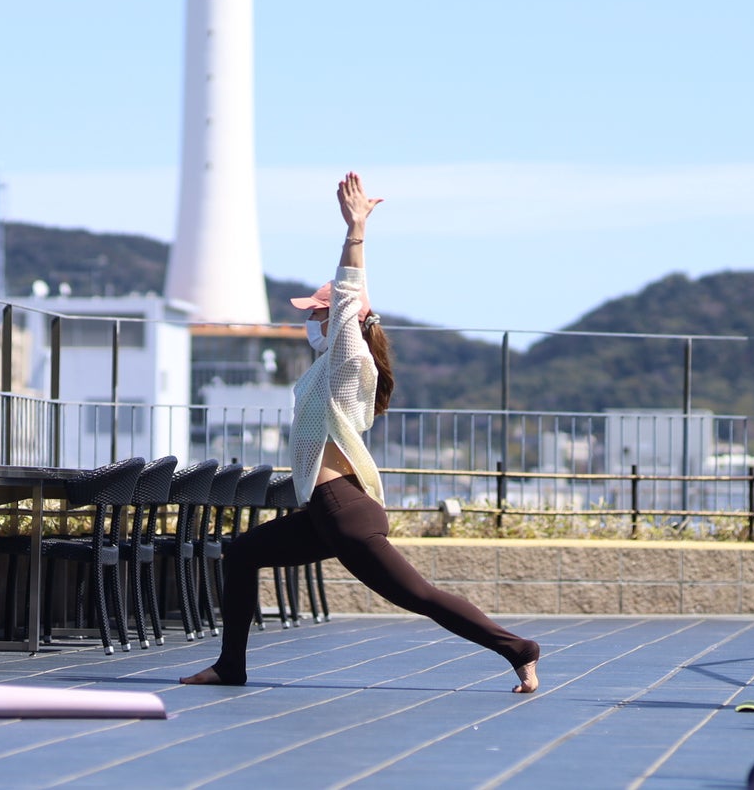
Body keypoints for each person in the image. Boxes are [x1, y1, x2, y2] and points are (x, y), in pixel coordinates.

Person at [180, 172, 542, 693]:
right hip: (326, 510)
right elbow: (347, 311)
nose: (312, 321)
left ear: (341, 321)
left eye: (318, 313)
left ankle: (518, 648)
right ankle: (231, 665)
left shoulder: (349, 362)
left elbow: (350, 299)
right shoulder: (326, 367)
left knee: (418, 596)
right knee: (242, 553)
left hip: (343, 512)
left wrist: (355, 231)